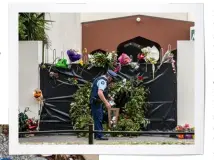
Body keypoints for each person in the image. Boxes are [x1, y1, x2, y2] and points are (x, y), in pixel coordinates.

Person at [90, 70, 117, 140]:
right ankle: (99, 136)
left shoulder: (101, 79)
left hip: (96, 102)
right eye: (112, 80)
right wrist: (106, 103)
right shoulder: (103, 81)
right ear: (110, 78)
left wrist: (108, 97)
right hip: (96, 102)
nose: (111, 82)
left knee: (98, 118)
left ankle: (98, 134)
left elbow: (102, 92)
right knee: (98, 118)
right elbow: (100, 93)